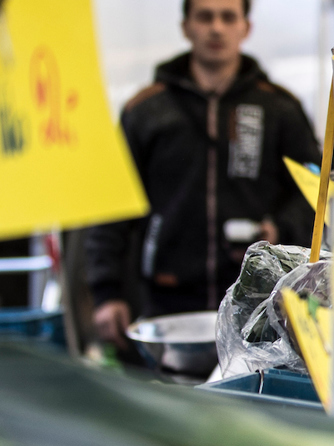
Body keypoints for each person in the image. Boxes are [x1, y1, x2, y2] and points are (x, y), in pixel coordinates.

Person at [86, 0, 320, 353]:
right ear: (186, 27)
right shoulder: (146, 110)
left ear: (245, 28)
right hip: (167, 300)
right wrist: (106, 292)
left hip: (259, 302)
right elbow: (112, 205)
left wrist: (279, 229)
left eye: (228, 17)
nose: (216, 28)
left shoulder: (280, 109)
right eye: (205, 16)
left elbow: (316, 190)